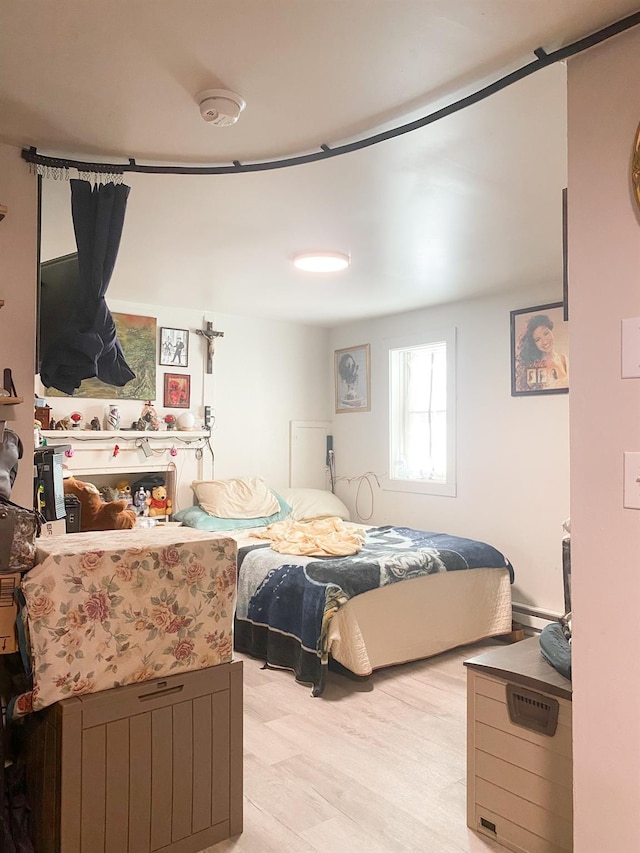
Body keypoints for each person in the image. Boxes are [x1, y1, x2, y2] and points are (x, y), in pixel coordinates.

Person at [516, 313, 568, 391]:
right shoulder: (535, 367)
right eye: (538, 339)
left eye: (546, 333)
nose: (544, 341)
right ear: (534, 344)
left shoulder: (563, 359)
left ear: (551, 330)